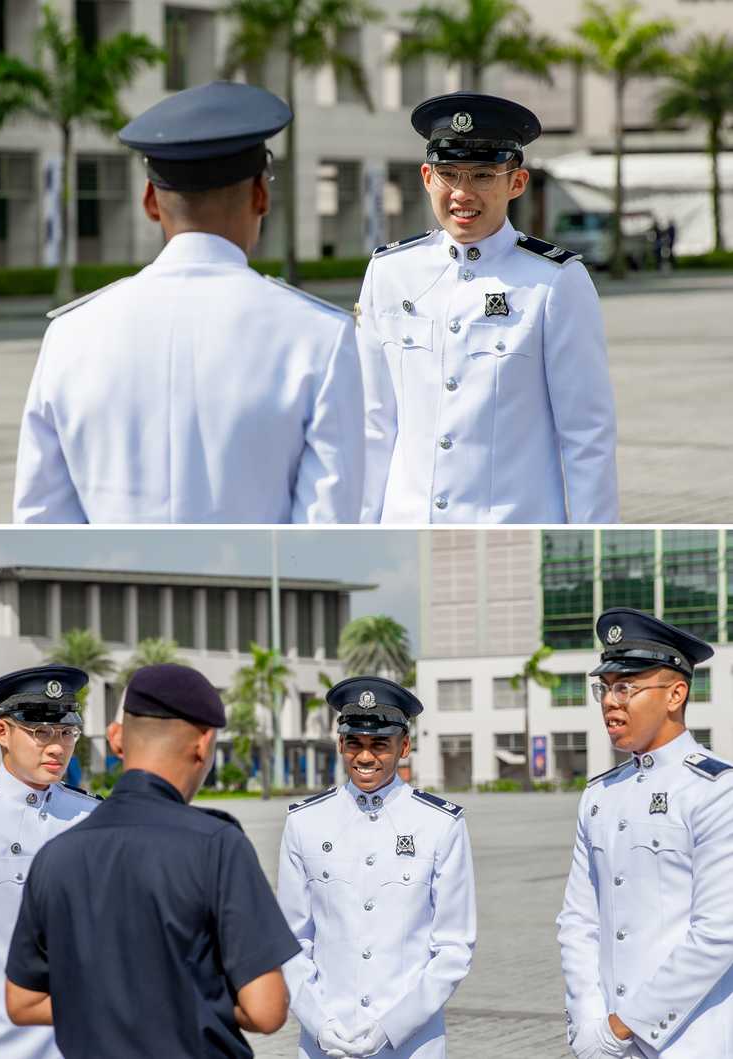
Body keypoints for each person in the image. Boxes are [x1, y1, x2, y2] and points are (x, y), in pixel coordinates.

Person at [13, 80, 363, 524]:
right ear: (261, 195)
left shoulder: (69, 335)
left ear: (149, 202)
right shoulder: (320, 337)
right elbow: (328, 526)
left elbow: (40, 519)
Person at [4, 663, 298, 1058]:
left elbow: (21, 1002)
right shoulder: (218, 845)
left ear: (118, 740)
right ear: (204, 743)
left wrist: (117, 1008)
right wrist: (186, 1001)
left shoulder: (55, 857)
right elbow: (266, 1010)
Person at [356, 92, 618, 524]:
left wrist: (595, 545)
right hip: (407, 528)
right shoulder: (390, 272)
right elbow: (373, 423)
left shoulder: (554, 282)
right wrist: (361, 531)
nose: (462, 193)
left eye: (482, 175)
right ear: (427, 177)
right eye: (449, 173)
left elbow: (587, 435)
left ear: (516, 183)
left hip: (512, 529)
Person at [556, 608, 729, 1058]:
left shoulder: (716, 791)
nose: (612, 701)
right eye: (606, 688)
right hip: (606, 1040)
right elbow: (578, 921)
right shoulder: (599, 795)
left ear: (675, 694)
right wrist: (589, 1021)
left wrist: (623, 1026)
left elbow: (718, 934)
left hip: (689, 1038)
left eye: (627, 687)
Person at [278, 677, 477, 1058]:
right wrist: (319, 1025)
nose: (365, 756)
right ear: (340, 743)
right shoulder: (305, 822)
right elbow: (291, 941)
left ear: (404, 746)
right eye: (354, 742)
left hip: (411, 1044)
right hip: (327, 1043)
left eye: (379, 744)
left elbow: (453, 948)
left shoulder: (439, 824)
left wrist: (392, 1027)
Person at [0, 666, 101, 1058]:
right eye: (40, 732)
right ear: (2, 732)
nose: (56, 747)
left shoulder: (94, 818)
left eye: (67, 733)